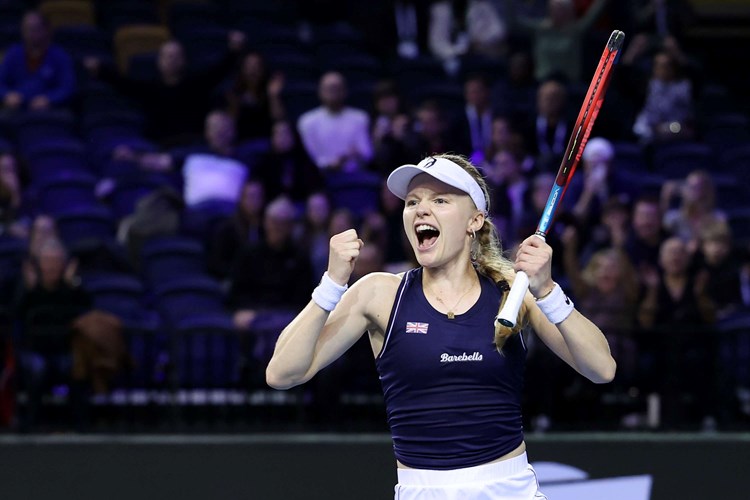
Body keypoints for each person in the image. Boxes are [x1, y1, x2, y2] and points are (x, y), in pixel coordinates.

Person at [266, 153, 615, 498]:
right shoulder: (378, 294)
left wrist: (548, 291)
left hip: (507, 489)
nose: (420, 209)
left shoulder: (514, 291)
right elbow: (282, 374)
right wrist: (331, 285)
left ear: (474, 221)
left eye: (440, 200)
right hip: (421, 489)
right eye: (413, 201)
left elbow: (601, 369)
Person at [296, 71, 374, 174]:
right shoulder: (307, 121)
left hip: (354, 173)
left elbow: (367, 152)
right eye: (329, 89)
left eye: (337, 88)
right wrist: (330, 164)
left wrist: (352, 155)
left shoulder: (360, 118)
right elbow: (310, 156)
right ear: (320, 92)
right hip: (319, 175)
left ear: (345, 91)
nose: (333, 93)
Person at [0, 10, 76, 112]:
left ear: (46, 29)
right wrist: (7, 95)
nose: (30, 33)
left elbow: (68, 87)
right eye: (27, 28)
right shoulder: (13, 53)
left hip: (50, 109)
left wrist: (49, 99)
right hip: (17, 108)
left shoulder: (59, 55)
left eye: (35, 28)